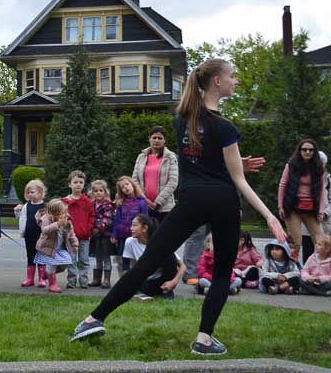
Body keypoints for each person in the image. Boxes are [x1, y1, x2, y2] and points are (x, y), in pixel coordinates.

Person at [70, 59, 286, 356]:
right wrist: (269, 216)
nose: (237, 81)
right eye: (233, 76)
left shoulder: (181, 119)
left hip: (191, 200)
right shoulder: (224, 127)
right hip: (222, 201)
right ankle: (204, 339)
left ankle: (93, 319)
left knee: (147, 262)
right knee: (222, 274)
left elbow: (200, 159)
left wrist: (234, 164)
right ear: (217, 82)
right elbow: (238, 180)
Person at [278, 139, 325, 261]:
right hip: (293, 208)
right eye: (304, 149)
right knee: (296, 243)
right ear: (299, 151)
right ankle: (292, 267)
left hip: (311, 209)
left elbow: (321, 191)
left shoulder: (319, 169)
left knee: (321, 241)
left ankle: (318, 269)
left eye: (311, 150)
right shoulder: (291, 166)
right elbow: (282, 185)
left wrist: (321, 211)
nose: (307, 152)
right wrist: (280, 206)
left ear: (314, 152)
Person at [123, 214, 185, 300]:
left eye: (134, 225)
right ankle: (145, 294)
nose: (131, 228)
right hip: (146, 281)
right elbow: (134, 267)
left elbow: (183, 266)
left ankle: (166, 290)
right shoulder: (129, 242)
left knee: (169, 256)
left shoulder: (160, 242)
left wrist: (173, 282)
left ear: (144, 228)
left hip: (163, 280)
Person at [131, 126, 178, 222]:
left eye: (160, 138)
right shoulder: (141, 157)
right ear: (149, 139)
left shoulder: (171, 157)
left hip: (164, 208)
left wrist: (158, 202)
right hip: (144, 206)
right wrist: (144, 199)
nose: (156, 140)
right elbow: (134, 180)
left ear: (164, 141)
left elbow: (173, 182)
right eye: (154, 137)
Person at [300, 151, 331, 264]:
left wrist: (325, 212)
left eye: (321, 163)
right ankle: (307, 276)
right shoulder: (303, 179)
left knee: (326, 251)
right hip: (307, 221)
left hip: (325, 223)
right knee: (308, 253)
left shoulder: (329, 181)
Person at [34, 198, 79, 293]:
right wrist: (57, 224)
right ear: (54, 213)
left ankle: (46, 273)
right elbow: (45, 230)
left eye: (65, 211)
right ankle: (52, 284)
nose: (64, 214)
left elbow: (71, 233)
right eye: (62, 212)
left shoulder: (67, 220)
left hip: (61, 248)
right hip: (49, 248)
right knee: (52, 266)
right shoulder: (46, 218)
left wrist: (75, 244)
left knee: (66, 263)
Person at [62, 170, 95, 289]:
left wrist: (89, 229)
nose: (78, 184)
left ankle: (83, 281)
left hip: (84, 236)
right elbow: (60, 217)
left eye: (81, 182)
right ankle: (71, 281)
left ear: (84, 184)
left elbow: (92, 216)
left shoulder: (87, 202)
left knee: (84, 260)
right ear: (69, 184)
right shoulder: (64, 202)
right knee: (71, 259)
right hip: (70, 237)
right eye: (75, 182)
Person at [110, 176, 148, 275]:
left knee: (136, 257)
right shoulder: (121, 203)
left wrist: (145, 233)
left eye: (127, 184)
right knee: (123, 257)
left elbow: (145, 219)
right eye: (123, 187)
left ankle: (137, 278)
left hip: (136, 236)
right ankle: (123, 278)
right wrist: (114, 234)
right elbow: (117, 219)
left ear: (133, 185)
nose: (126, 187)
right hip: (122, 235)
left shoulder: (141, 202)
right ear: (121, 191)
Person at [15, 179, 47, 288]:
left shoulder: (45, 207)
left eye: (32, 192)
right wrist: (17, 211)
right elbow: (21, 218)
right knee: (30, 256)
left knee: (41, 257)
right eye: (28, 192)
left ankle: (42, 278)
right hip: (29, 235)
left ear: (40, 192)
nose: (30, 194)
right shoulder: (26, 206)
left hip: (42, 237)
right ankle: (30, 278)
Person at [88, 179, 116, 289]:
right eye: (96, 191)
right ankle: (96, 279)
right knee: (97, 256)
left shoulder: (108, 205)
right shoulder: (91, 204)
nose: (98, 193)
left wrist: (98, 228)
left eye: (101, 190)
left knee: (106, 257)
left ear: (105, 192)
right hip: (95, 237)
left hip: (105, 235)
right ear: (92, 193)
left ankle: (107, 280)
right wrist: (90, 229)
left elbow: (108, 219)